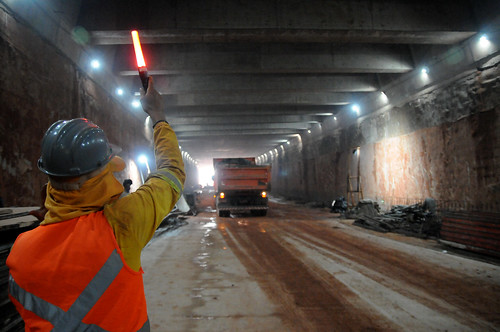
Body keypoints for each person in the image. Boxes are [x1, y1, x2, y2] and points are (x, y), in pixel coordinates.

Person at [7, 77, 185, 331]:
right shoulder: (121, 224)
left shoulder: (19, 252)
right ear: (101, 174)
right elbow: (172, 173)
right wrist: (158, 115)